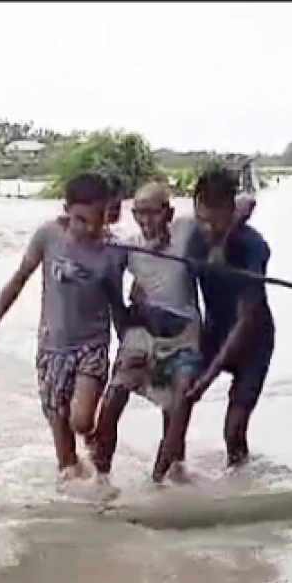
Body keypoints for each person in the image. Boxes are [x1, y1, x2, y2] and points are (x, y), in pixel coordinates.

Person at [0, 172, 128, 496]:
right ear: (65, 211)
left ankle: (94, 447)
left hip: (93, 346)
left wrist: (132, 347)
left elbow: (118, 304)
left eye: (98, 219)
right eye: (81, 220)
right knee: (64, 454)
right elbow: (18, 280)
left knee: (81, 420)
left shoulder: (114, 251)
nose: (89, 228)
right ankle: (77, 514)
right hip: (52, 348)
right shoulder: (48, 236)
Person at [92, 183, 203, 484]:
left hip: (184, 334)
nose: (145, 220)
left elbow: (244, 204)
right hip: (143, 332)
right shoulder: (129, 247)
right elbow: (101, 266)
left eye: (152, 213)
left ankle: (163, 476)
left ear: (168, 212)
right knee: (114, 396)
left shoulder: (185, 231)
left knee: (179, 401)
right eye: (138, 213)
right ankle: (101, 477)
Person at [184, 168, 275, 467]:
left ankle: (242, 489)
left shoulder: (253, 248)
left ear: (229, 210)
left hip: (253, 341)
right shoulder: (193, 240)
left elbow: (246, 320)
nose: (206, 228)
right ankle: (170, 475)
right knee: (179, 401)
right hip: (213, 332)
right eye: (201, 219)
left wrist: (208, 379)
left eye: (214, 221)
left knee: (233, 432)